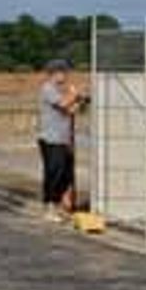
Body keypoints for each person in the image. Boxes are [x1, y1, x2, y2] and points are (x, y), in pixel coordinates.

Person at [37, 58, 85, 221]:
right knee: (54, 173)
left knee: (65, 175)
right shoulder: (47, 88)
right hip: (51, 139)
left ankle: (58, 206)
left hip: (63, 139)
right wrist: (74, 94)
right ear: (55, 73)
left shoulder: (58, 91)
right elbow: (64, 104)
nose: (65, 76)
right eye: (63, 73)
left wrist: (80, 102)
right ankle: (49, 207)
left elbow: (70, 110)